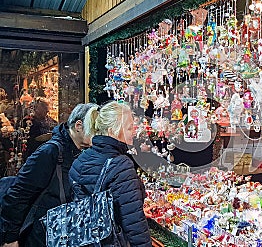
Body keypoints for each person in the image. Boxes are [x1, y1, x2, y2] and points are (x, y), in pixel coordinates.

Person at [0, 102, 98, 247]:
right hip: (40, 236)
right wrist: (11, 237)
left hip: (58, 234)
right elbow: (19, 193)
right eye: (94, 130)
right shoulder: (50, 151)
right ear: (78, 126)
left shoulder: (78, 152)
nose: (97, 136)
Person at [69, 101, 151, 247]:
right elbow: (134, 225)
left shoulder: (82, 158)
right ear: (113, 131)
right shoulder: (120, 164)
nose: (134, 132)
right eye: (129, 128)